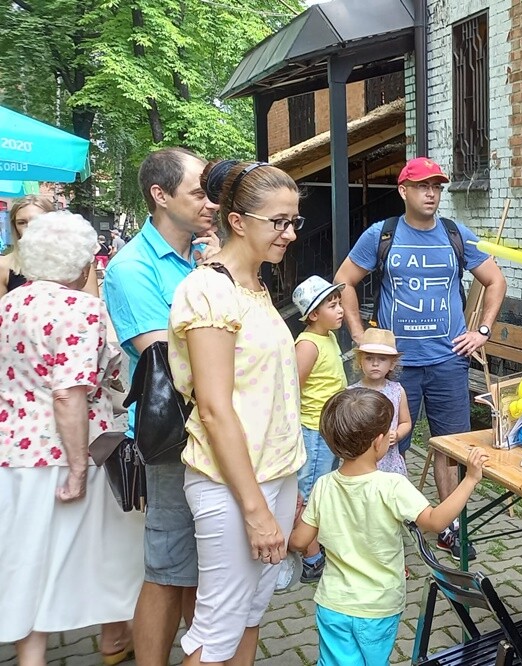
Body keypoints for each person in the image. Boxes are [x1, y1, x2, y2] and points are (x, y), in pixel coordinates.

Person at [333, 156, 507, 560]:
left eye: (436, 187)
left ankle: (448, 527)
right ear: (403, 191)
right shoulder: (383, 234)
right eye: (423, 186)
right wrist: (359, 336)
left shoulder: (455, 234)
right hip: (395, 367)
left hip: (448, 361)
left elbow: (495, 280)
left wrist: (481, 331)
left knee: (451, 446)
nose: (431, 194)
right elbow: (344, 281)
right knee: (384, 444)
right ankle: (381, 525)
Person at [167, 160, 304, 666]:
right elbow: (214, 408)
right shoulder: (209, 290)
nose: (290, 233)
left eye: (294, 221)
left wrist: (287, 487)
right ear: (238, 221)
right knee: (215, 633)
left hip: (273, 475)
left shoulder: (256, 286)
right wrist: (255, 510)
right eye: (279, 222)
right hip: (232, 485)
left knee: (249, 615)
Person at [0, 212, 143, 665]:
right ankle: (115, 636)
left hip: (13, 449)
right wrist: (79, 468)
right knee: (111, 549)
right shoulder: (82, 309)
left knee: (26, 559)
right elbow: (69, 392)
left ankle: (32, 656)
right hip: (69, 452)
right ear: (83, 265)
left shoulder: (9, 304)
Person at [103, 147, 220, 666]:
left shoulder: (202, 256)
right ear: (160, 195)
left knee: (197, 567)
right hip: (173, 436)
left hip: (212, 428)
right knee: (168, 568)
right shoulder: (131, 268)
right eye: (199, 192)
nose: (211, 203)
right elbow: (165, 355)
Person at [288, 388, 490, 666]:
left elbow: (299, 542)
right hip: (378, 607)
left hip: (333, 604)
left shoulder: (324, 485)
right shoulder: (392, 485)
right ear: (378, 442)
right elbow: (435, 521)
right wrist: (470, 480)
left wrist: (294, 517)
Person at [291, 274, 348, 583]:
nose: (340, 310)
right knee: (309, 493)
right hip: (313, 431)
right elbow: (293, 389)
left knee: (320, 489)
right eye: (332, 305)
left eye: (339, 304)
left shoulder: (328, 337)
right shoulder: (308, 345)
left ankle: (314, 543)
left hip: (328, 430)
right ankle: (311, 557)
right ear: (313, 314)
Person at [0, 194, 99, 299]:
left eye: (36, 221)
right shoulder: (4, 265)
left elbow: (92, 304)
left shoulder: (79, 262)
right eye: (21, 223)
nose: (29, 227)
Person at [349, 328, 413, 476]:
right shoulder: (351, 393)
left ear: (392, 364)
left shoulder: (397, 391)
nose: (375, 363)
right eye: (369, 358)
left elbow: (406, 422)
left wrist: (397, 434)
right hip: (360, 461)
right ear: (360, 361)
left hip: (389, 461)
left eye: (382, 359)